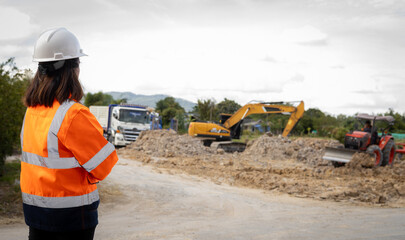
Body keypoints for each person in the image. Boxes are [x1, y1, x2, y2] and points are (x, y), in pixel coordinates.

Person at [20, 27, 119, 240]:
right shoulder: (73, 115)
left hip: (35, 212)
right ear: (73, 68)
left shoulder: (32, 111)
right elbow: (103, 166)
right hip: (72, 218)